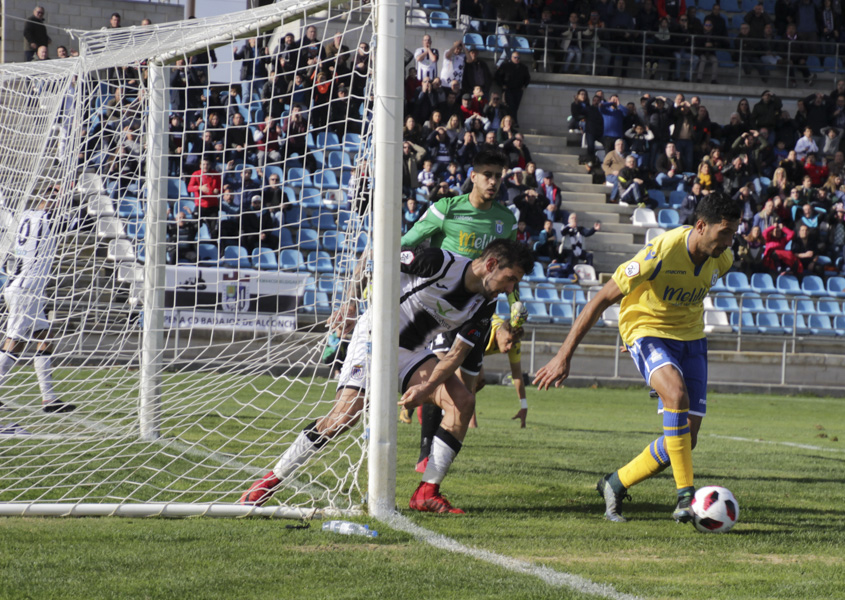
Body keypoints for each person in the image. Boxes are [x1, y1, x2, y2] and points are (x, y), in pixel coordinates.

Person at [241, 240, 533, 511]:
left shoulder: (485, 304)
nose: (510, 289)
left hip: (412, 352)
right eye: (511, 278)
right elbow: (376, 257)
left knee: (462, 402)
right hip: (374, 337)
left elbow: (456, 355)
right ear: (492, 264)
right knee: (344, 417)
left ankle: (426, 493)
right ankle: (267, 484)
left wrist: (427, 388)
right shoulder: (437, 261)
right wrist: (351, 303)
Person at [534, 193, 740, 523]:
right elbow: (601, 298)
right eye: (725, 233)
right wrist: (564, 354)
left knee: (688, 436)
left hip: (691, 338)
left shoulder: (723, 259)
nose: (729, 242)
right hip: (646, 330)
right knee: (675, 394)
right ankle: (686, 496)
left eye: (733, 233)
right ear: (701, 226)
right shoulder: (661, 251)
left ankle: (615, 483)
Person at [401, 148, 519, 470]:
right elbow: (407, 243)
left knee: (470, 385)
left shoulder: (506, 220)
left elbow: (511, 269)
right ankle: (426, 454)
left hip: (481, 311)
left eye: (498, 176)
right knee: (443, 372)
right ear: (473, 176)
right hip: (442, 308)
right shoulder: (446, 210)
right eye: (488, 175)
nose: (493, 182)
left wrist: (512, 307)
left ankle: (440, 450)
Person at [0, 195, 72, 413]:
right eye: (54, 194)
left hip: (24, 287)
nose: (58, 200)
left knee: (45, 338)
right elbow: (77, 220)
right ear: (44, 200)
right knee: (14, 342)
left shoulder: (25, 217)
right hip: (26, 289)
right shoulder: (48, 218)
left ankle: (49, 399)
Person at [494, 52, 530, 122]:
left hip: (518, 90)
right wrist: (502, 85)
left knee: (515, 107)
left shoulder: (523, 67)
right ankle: (513, 122)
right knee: (509, 106)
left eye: (518, 58)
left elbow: (527, 78)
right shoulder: (505, 66)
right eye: (515, 57)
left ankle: (512, 122)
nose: (517, 59)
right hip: (508, 90)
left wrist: (524, 86)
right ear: (511, 58)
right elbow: (497, 76)